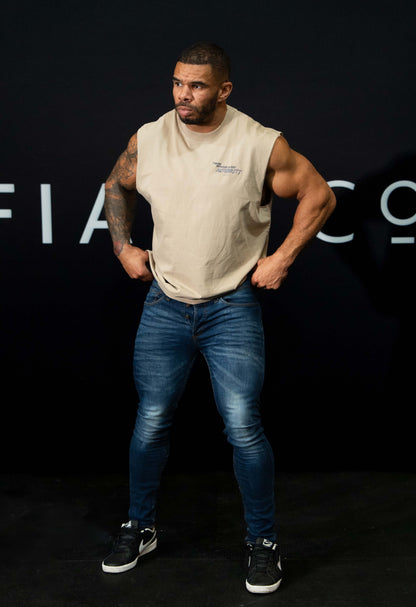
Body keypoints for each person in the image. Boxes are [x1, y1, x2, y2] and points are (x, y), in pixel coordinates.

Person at [101, 42, 336, 594]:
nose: (185, 94)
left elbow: (319, 196)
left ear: (224, 90)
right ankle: (140, 526)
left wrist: (280, 259)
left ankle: (263, 542)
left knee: (243, 429)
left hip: (231, 307)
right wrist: (122, 248)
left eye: (198, 85)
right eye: (179, 83)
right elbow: (116, 185)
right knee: (152, 421)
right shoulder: (150, 137)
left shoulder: (258, 142)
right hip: (164, 303)